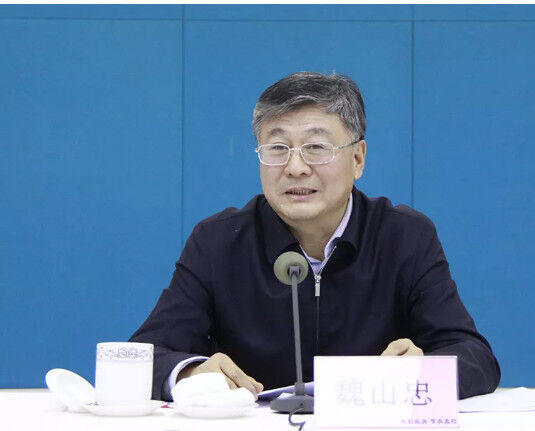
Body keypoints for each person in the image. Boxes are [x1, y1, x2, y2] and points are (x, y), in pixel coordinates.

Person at [130, 71, 500, 401]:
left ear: (357, 159)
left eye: (316, 148)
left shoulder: (404, 237)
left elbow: (475, 357)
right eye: (278, 149)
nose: (295, 167)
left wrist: (420, 372)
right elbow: (143, 358)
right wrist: (191, 374)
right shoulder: (219, 241)